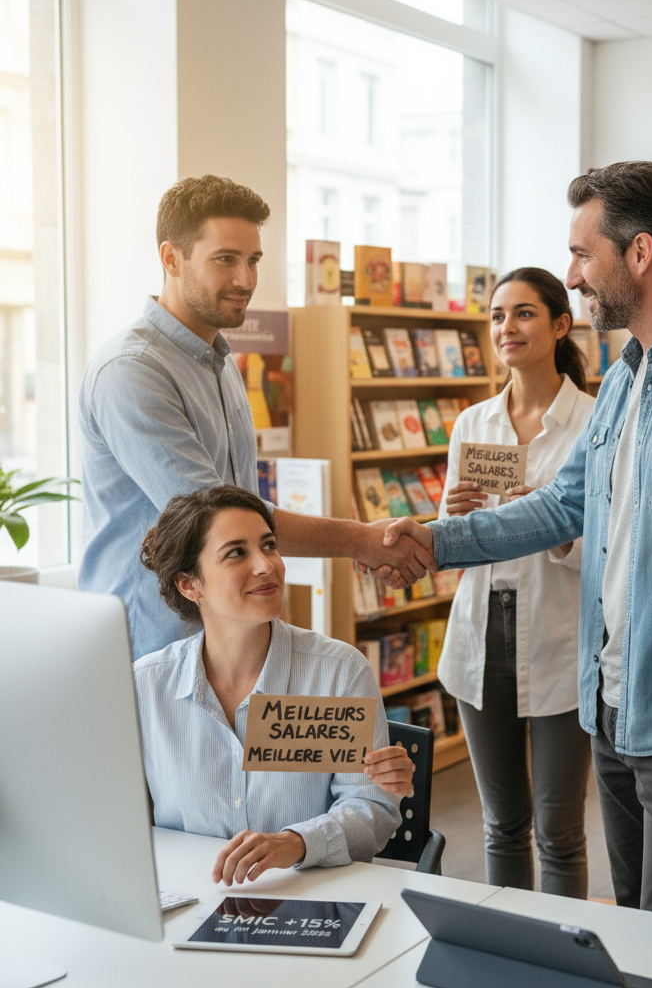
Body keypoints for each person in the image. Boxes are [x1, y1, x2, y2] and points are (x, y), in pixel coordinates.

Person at [382, 161, 652, 912]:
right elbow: (560, 507)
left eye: (583, 254)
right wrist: (436, 540)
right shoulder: (621, 380)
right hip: (609, 711)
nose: (573, 276)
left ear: (640, 253)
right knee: (633, 921)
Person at [78, 174, 433, 659]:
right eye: (225, 259)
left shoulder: (220, 361)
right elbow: (221, 520)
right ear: (171, 259)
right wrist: (361, 540)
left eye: (253, 260)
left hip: (224, 644)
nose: (245, 280)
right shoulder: (131, 370)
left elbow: (240, 508)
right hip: (148, 652)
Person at [134, 484, 413, 885]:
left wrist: (295, 843)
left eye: (269, 546)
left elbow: (372, 810)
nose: (266, 565)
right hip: (188, 895)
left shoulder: (339, 671)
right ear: (189, 584)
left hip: (309, 893)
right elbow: (120, 818)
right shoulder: (145, 686)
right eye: (236, 553)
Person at [438, 267, 595, 898]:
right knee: (502, 825)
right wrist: (454, 517)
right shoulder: (472, 424)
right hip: (479, 636)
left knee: (559, 833)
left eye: (525, 313)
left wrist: (552, 528)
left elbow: (611, 546)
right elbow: (459, 543)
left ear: (561, 325)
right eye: (498, 315)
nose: (508, 327)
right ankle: (509, 942)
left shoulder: (594, 423)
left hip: (560, 638)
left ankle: (563, 950)